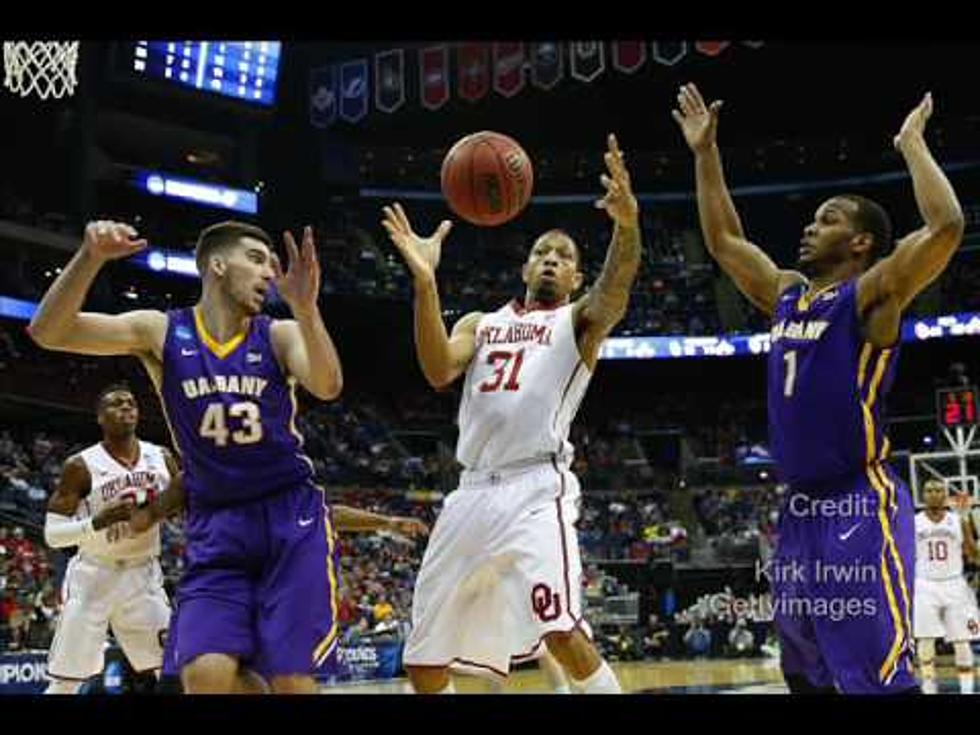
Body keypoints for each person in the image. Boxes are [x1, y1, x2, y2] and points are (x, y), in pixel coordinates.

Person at [674, 83, 964, 693]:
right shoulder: (784, 291)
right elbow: (725, 242)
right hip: (799, 507)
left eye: (827, 219)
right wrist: (706, 155)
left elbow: (945, 226)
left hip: (858, 500)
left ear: (860, 242)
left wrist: (911, 144)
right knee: (806, 671)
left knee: (873, 671)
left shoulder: (871, 295)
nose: (809, 227)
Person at [29, 220, 343, 693]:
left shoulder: (278, 335)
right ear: (217, 265)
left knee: (292, 682)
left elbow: (327, 383)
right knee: (205, 675)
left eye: (272, 265)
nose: (269, 273)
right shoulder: (160, 330)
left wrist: (306, 308)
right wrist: (90, 256)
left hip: (288, 518)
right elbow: (49, 331)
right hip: (216, 522)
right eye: (256, 259)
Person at [381, 133, 641, 694]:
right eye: (543, 253)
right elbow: (436, 369)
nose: (552, 260)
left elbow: (615, 292)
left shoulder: (577, 321)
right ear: (526, 266)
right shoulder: (481, 322)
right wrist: (425, 283)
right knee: (423, 661)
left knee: (561, 631)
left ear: (575, 278)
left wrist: (627, 223)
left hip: (535, 488)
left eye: (565, 257)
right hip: (470, 491)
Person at [42, 384, 177, 694]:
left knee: (172, 668)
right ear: (101, 417)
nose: (127, 408)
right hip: (94, 577)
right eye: (117, 405)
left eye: (131, 403)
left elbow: (180, 502)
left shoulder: (161, 457)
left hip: (143, 575)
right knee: (66, 681)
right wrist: (96, 522)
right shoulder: (80, 466)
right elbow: (52, 535)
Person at [914, 479, 980, 694]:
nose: (934, 493)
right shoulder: (913, 522)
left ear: (945, 495)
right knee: (925, 641)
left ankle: (968, 690)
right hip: (925, 584)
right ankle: (929, 688)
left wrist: (966, 518)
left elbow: (972, 554)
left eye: (938, 490)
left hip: (954, 583)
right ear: (923, 495)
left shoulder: (956, 520)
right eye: (929, 490)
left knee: (962, 641)